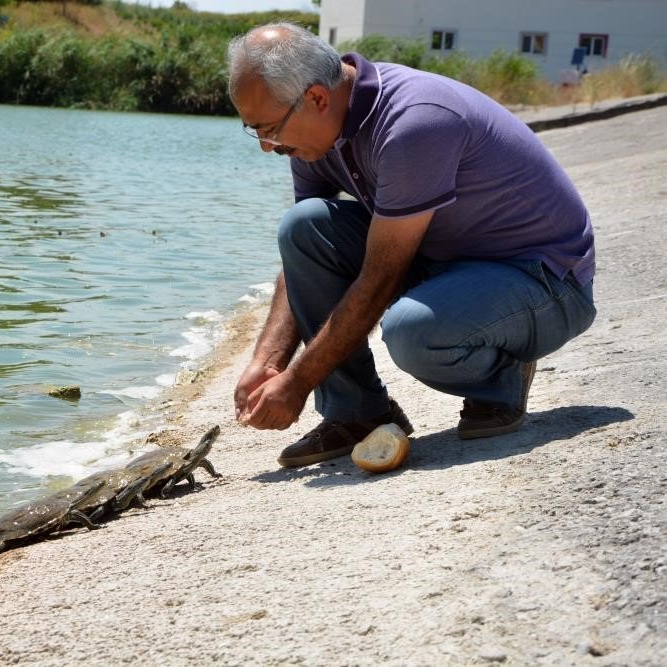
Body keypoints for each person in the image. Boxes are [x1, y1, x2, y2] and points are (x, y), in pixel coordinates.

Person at [227, 23, 597, 468]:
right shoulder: (313, 135)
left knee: (412, 333)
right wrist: (269, 361)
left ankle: (502, 374)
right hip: (445, 261)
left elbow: (381, 277)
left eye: (269, 129)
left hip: (542, 282)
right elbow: (303, 259)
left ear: (318, 99)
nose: (267, 147)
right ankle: (357, 413)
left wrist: (298, 382)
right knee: (303, 227)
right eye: (255, 131)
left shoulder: (412, 121)